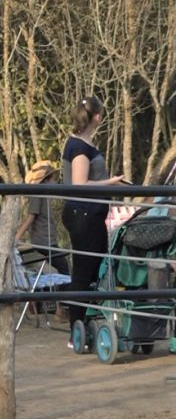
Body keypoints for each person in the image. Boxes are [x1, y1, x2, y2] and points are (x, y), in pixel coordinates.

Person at [60, 97, 125, 349]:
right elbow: (79, 183)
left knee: (92, 268)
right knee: (84, 271)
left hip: (92, 214)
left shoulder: (85, 144)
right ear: (97, 117)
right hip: (83, 214)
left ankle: (85, 322)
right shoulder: (79, 147)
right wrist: (112, 183)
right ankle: (76, 327)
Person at [16, 160, 70, 276]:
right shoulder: (37, 194)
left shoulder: (44, 196)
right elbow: (31, 216)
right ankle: (65, 293)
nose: (55, 182)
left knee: (62, 266)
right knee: (63, 267)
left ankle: (55, 290)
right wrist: (17, 237)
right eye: (53, 179)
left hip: (49, 240)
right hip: (44, 242)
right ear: (45, 180)